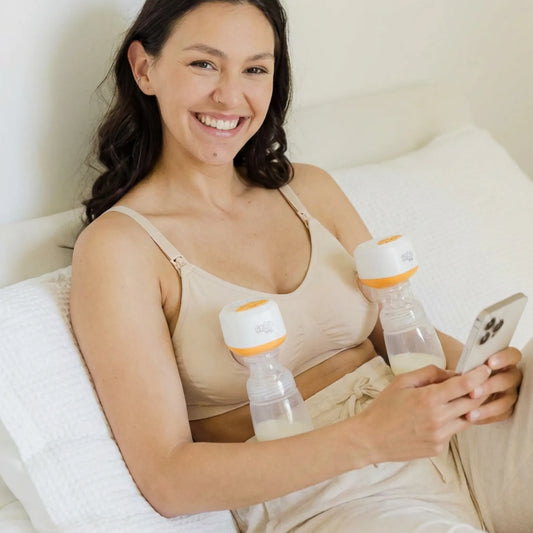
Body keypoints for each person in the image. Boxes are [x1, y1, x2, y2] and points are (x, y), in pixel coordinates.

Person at [69, 0, 531, 531]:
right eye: (204, 64)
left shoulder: (308, 189)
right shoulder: (120, 248)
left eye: (255, 69)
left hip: (445, 434)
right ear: (144, 68)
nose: (230, 95)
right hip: (327, 496)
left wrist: (483, 377)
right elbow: (167, 480)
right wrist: (371, 438)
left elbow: (399, 327)